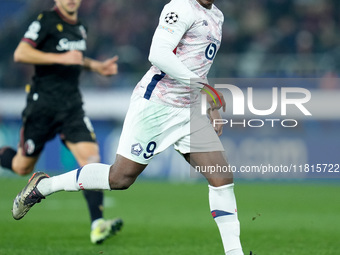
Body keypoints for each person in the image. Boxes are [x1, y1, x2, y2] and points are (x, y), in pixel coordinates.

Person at [12, 0, 244, 254]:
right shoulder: (180, 7)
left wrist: (209, 102)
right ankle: (44, 186)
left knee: (222, 177)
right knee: (120, 178)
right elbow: (158, 53)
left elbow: (197, 63)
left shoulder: (217, 17)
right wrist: (205, 88)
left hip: (188, 110)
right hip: (156, 104)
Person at [1, 0, 123, 244]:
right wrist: (60, 58)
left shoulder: (81, 26)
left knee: (91, 160)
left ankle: (97, 224)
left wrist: (95, 66)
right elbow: (21, 52)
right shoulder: (45, 21)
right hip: (42, 107)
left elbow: (74, 58)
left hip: (72, 108)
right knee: (21, 166)